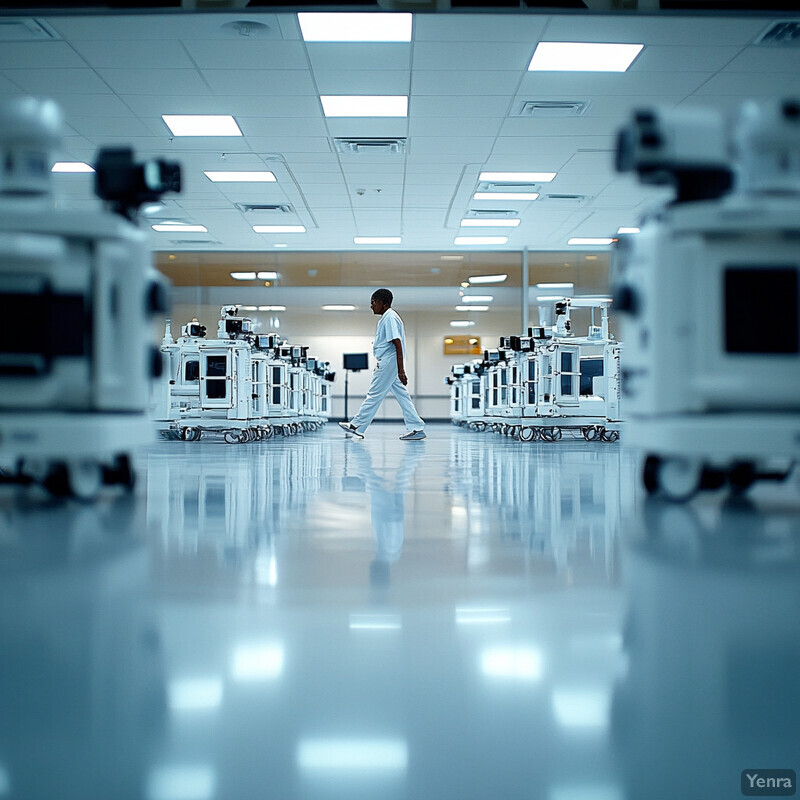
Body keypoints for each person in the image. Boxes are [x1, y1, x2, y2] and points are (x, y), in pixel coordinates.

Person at [338, 289, 426, 441]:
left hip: (389, 362)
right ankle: (417, 428)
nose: (371, 306)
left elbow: (397, 343)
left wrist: (401, 370)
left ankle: (357, 425)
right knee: (403, 396)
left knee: (374, 394)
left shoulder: (390, 318)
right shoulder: (387, 317)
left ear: (382, 303)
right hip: (389, 361)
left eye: (373, 302)